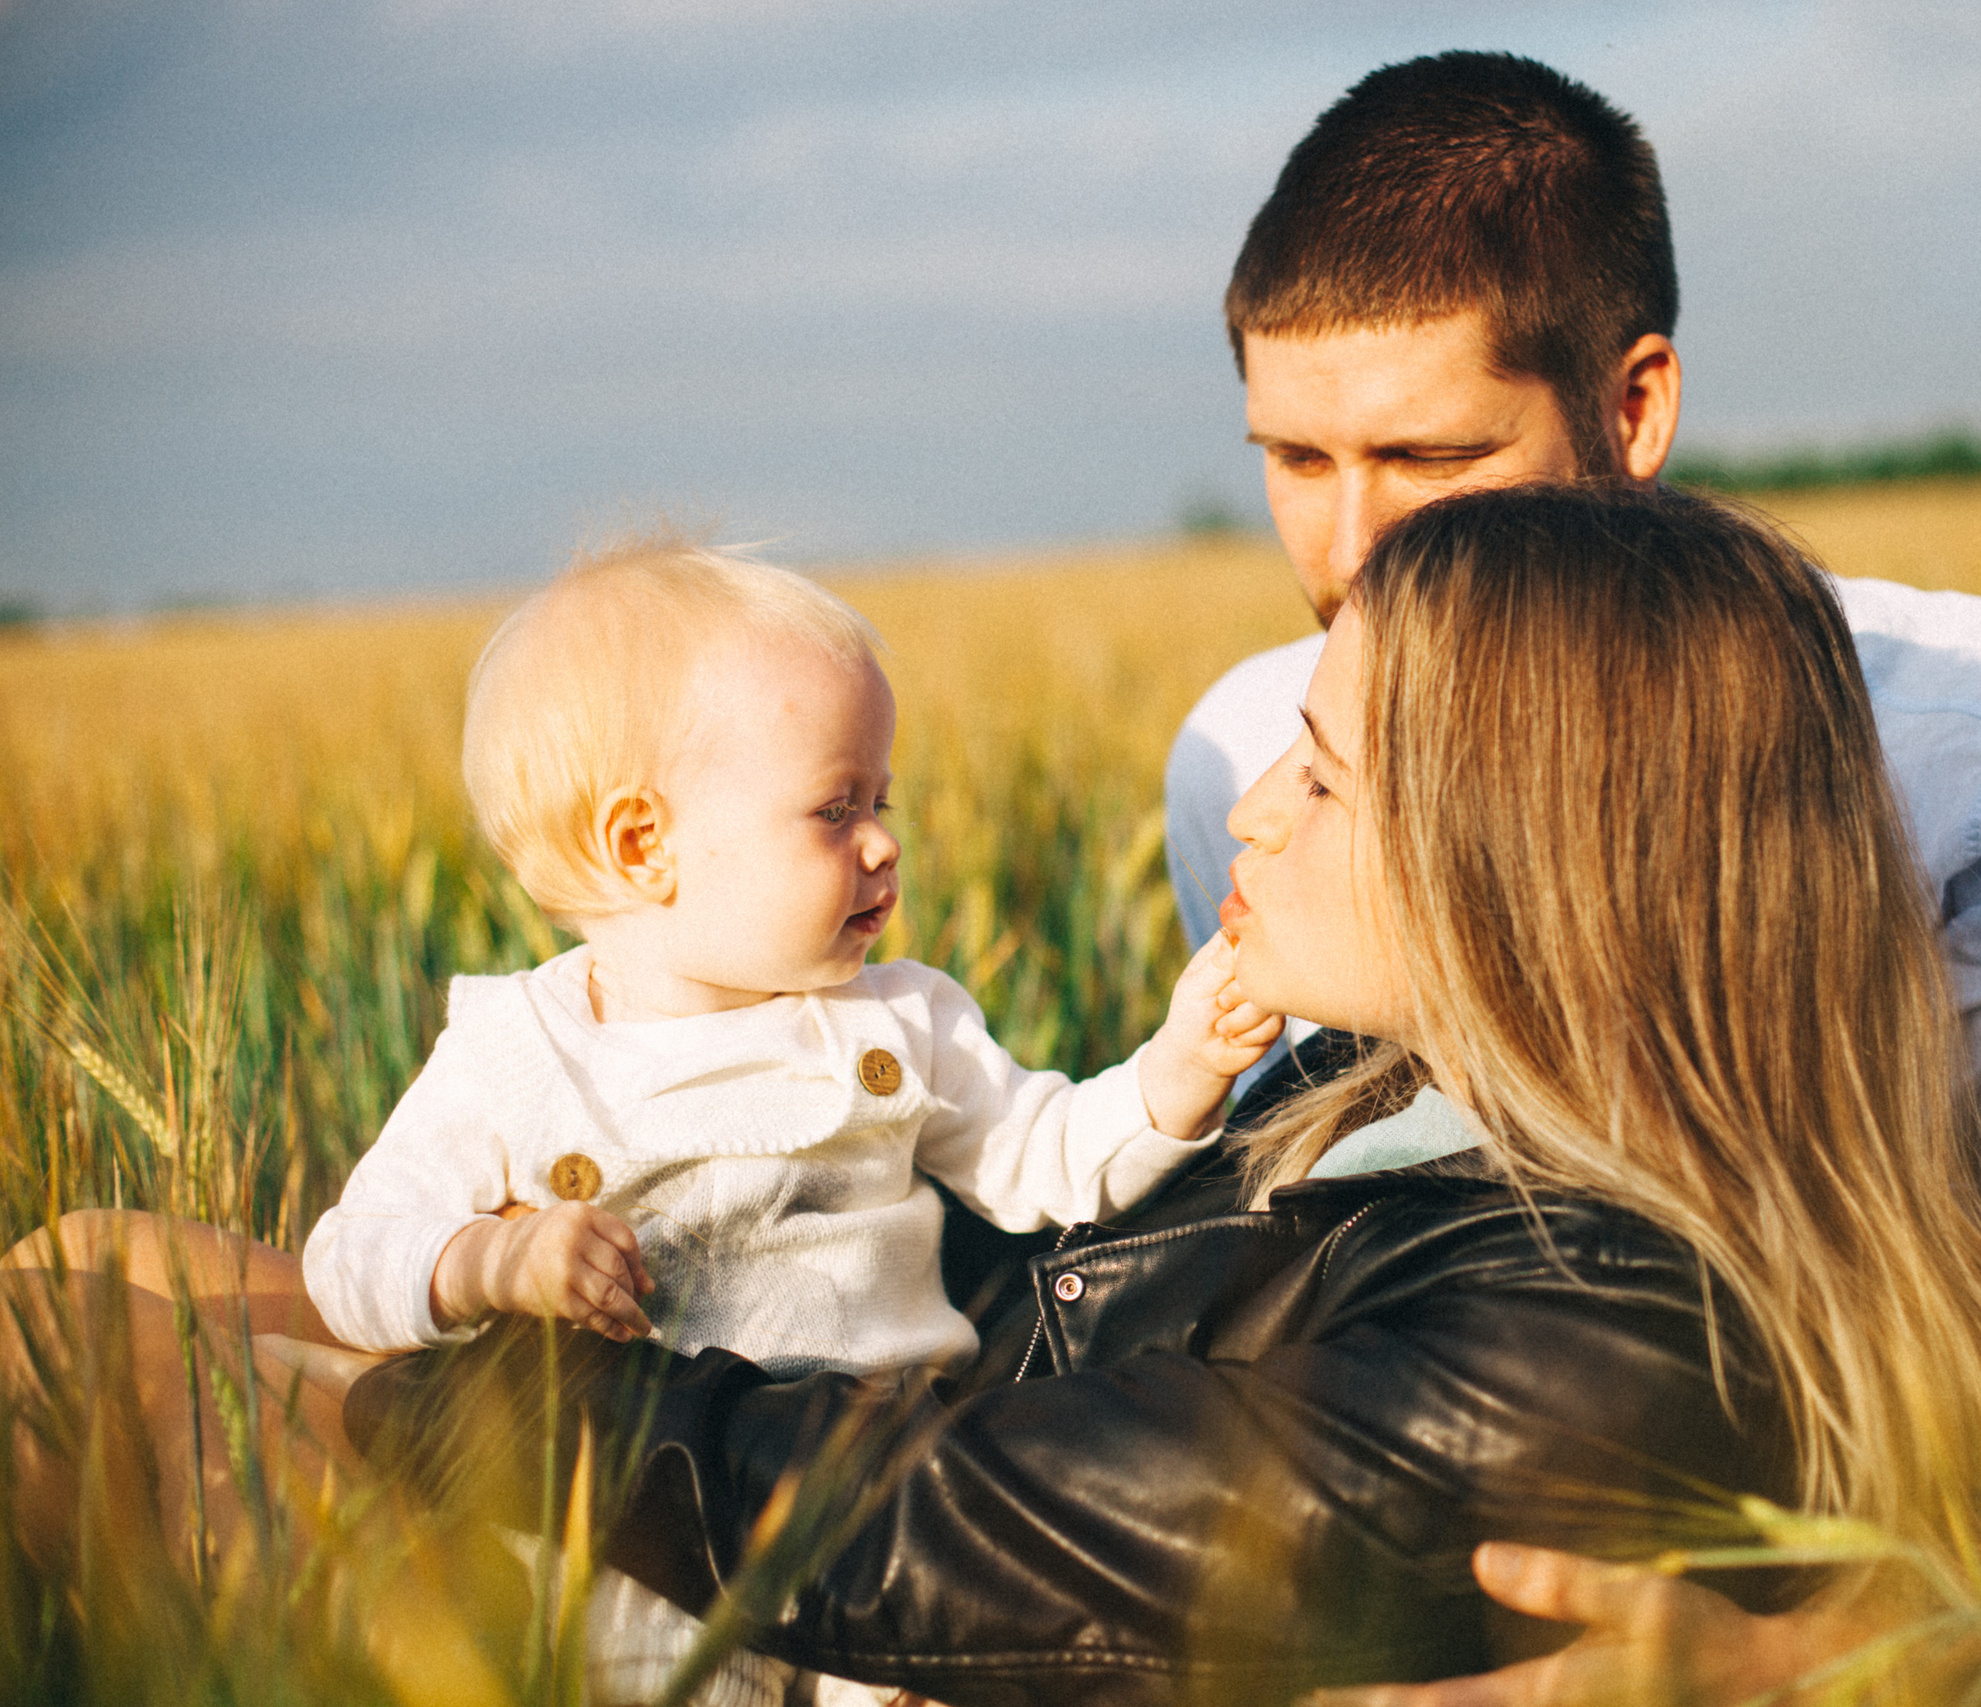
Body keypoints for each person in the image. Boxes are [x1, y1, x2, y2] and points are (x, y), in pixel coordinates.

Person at [341, 483, 1981, 1703]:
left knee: (136, 1381)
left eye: (1323, 773)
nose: (1251, 812)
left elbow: (953, 1523)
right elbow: (997, 1264)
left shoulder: (1611, 1336)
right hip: (732, 1482)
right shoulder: (1369, 1084)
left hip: (790, 1578)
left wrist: (416, 1404)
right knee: (100, 1266)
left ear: (1522, 861)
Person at [1145, 54, 1981, 1692]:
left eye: (1428, 457)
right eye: (1297, 462)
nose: (1351, 556)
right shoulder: (1259, 745)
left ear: (1635, 407)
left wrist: (1807, 1658)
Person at [13, 534, 1283, 1707]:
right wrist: (488, 1260)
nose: (887, 844)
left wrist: (1179, 1063)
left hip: (876, 1547)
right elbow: (356, 1260)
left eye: (883, 800)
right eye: (838, 809)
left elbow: (1046, 1161)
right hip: (615, 1553)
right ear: (643, 844)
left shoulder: (902, 1021)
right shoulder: (518, 1054)